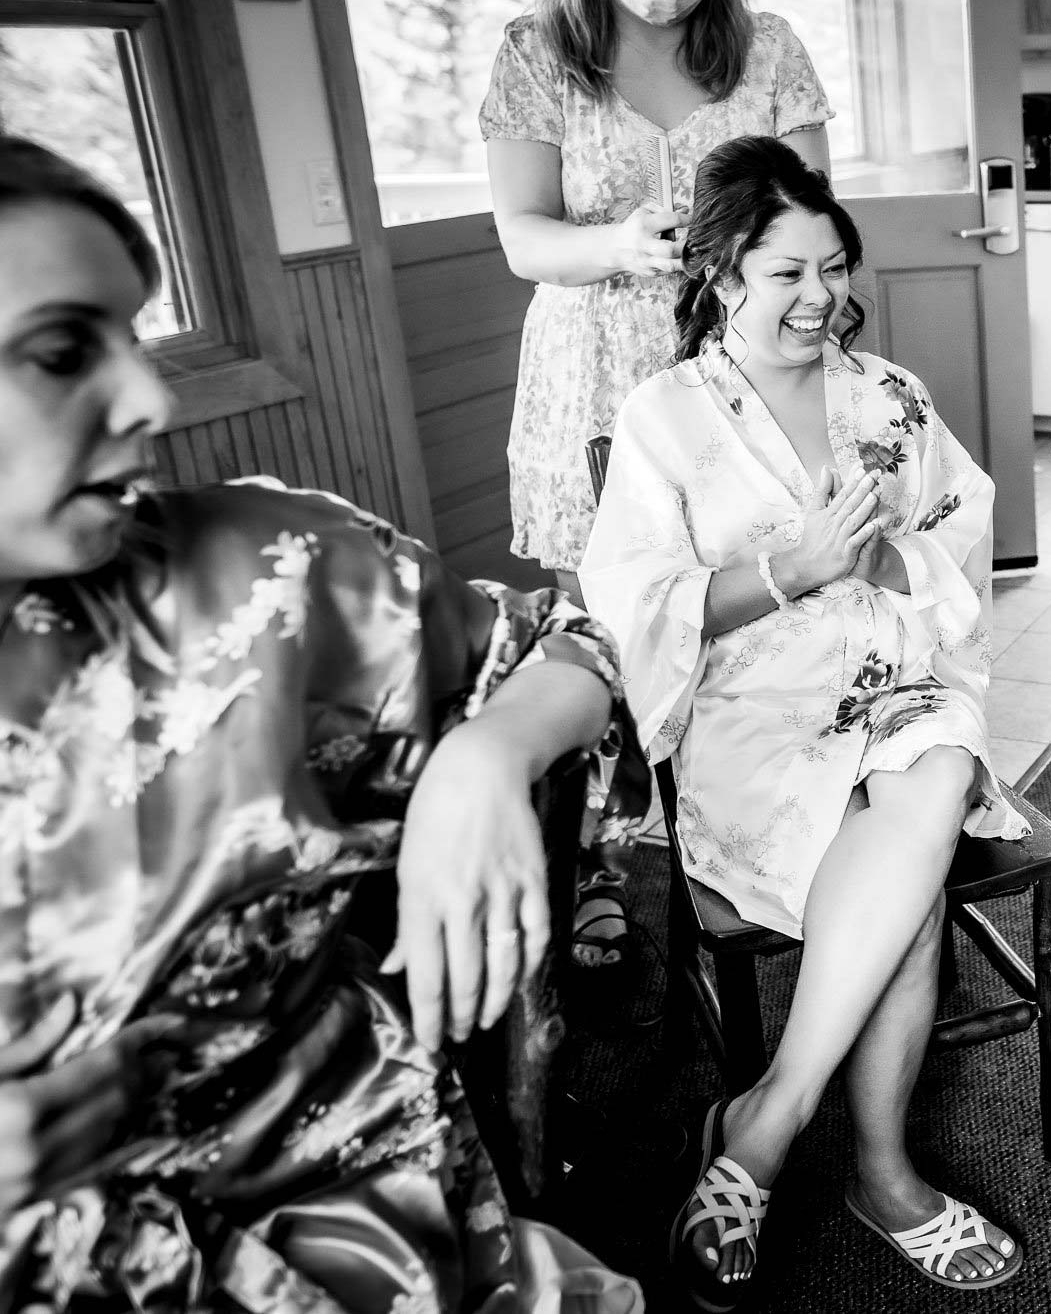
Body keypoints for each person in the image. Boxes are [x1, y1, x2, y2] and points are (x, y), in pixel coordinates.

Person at [0, 137, 648, 1312]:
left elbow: (588, 642)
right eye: (58, 352)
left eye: (134, 336)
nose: (151, 397)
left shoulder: (266, 579)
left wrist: (488, 750)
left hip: (357, 1221)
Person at [581, 136, 1027, 1305]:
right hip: (752, 708)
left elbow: (957, 525)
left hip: (892, 671)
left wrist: (883, 552)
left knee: (932, 766)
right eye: (787, 272)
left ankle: (765, 1122)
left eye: (834, 267)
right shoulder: (664, 417)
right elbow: (635, 609)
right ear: (722, 273)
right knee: (913, 891)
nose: (821, 297)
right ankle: (883, 1175)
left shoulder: (888, 394)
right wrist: (790, 569)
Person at [482, 0, 833, 975]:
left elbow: (814, 217)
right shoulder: (537, 55)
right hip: (599, 374)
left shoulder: (766, 47)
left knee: (757, 602)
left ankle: (777, 823)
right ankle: (598, 864)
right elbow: (523, 236)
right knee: (621, 631)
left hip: (742, 379)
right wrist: (616, 246)